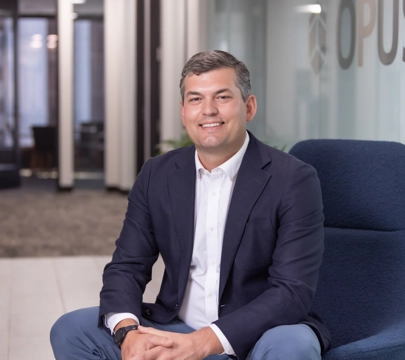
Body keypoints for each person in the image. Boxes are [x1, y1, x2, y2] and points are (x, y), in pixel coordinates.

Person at [50, 50, 330, 360]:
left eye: (222, 97)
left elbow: (291, 292)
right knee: (71, 329)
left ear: (249, 107)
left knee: (295, 345)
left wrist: (205, 342)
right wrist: (127, 333)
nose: (208, 110)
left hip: (256, 335)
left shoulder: (292, 179)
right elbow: (127, 267)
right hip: (176, 327)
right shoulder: (158, 174)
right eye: (196, 100)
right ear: (184, 112)